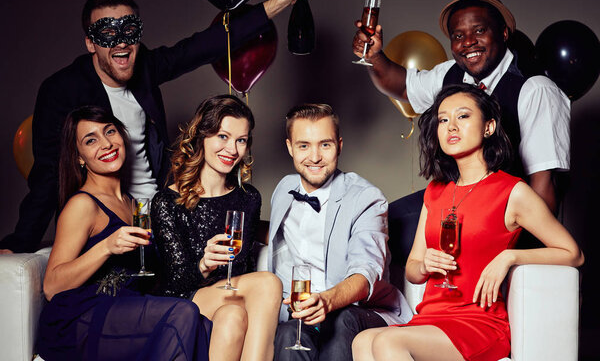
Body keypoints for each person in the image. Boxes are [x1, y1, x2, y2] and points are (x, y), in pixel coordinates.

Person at [0, 0, 312, 254]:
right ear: (91, 43)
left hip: (163, 214)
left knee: (255, 233)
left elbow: (207, 44)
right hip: (110, 223)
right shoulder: (62, 90)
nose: (121, 41)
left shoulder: (145, 67)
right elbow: (47, 176)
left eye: (129, 30)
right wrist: (19, 244)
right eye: (108, 33)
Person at [351, 84, 583, 361]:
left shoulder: (512, 192)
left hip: (477, 322)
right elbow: (413, 270)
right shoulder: (435, 192)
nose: (451, 127)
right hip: (431, 318)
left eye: (463, 117)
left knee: (389, 342)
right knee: (363, 341)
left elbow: (573, 253)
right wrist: (425, 264)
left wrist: (509, 257)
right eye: (443, 119)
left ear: (489, 127)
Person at [352, 0, 570, 264]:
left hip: (502, 218)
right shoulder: (451, 74)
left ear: (503, 33)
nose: (468, 42)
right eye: (458, 35)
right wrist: (374, 56)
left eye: (479, 30)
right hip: (455, 203)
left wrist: (516, 260)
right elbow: (403, 87)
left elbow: (544, 187)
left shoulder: (534, 89)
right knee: (377, 226)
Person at [37, 106, 211, 361]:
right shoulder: (83, 205)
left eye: (110, 131)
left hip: (123, 312)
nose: (106, 143)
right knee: (183, 314)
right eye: (91, 140)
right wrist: (106, 246)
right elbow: (52, 287)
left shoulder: (134, 205)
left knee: (203, 326)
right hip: (79, 321)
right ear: (79, 157)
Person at [268, 104, 412, 361]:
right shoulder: (283, 190)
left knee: (340, 322)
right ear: (290, 147)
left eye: (325, 145)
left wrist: (327, 301)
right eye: (304, 146)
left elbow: (365, 271)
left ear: (340, 145)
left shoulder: (366, 198)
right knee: (288, 334)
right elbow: (272, 238)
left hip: (359, 311)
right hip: (303, 313)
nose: (314, 157)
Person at [151, 94, 282, 361]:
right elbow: (174, 282)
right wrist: (203, 265)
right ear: (202, 136)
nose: (232, 149)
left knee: (233, 317)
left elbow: (242, 268)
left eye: (241, 140)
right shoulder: (168, 201)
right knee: (268, 283)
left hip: (229, 300)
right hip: (179, 301)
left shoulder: (248, 198)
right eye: (223, 136)